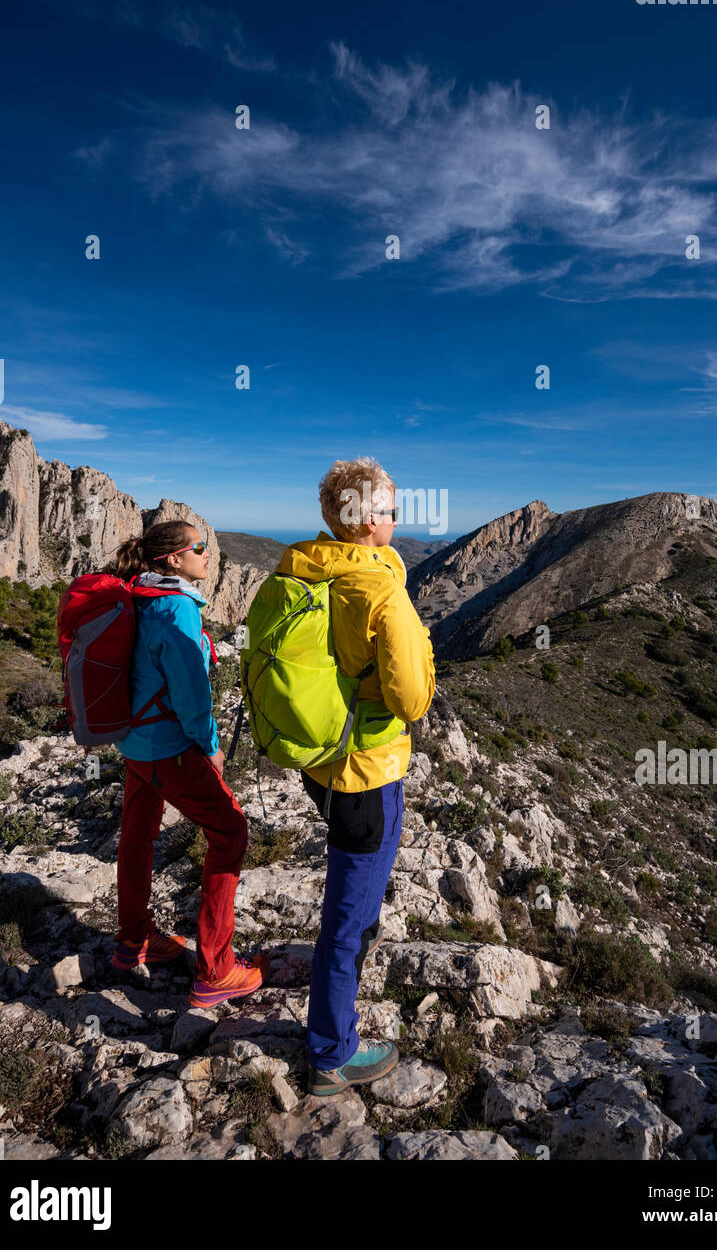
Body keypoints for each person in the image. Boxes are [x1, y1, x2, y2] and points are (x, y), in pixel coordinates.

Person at [274, 459, 435, 1096]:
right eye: (392, 511)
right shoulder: (380, 591)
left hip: (321, 762)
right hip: (368, 768)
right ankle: (331, 1053)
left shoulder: (302, 570)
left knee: (349, 902)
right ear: (369, 521)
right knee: (348, 918)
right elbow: (411, 699)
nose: (397, 521)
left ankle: (333, 1013)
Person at [110, 520, 268, 1007]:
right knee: (230, 833)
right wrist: (211, 746)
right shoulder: (176, 608)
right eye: (199, 548)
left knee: (138, 834)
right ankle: (217, 969)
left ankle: (133, 941)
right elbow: (191, 697)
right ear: (174, 560)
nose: (208, 555)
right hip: (170, 748)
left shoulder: (137, 595)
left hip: (136, 744)